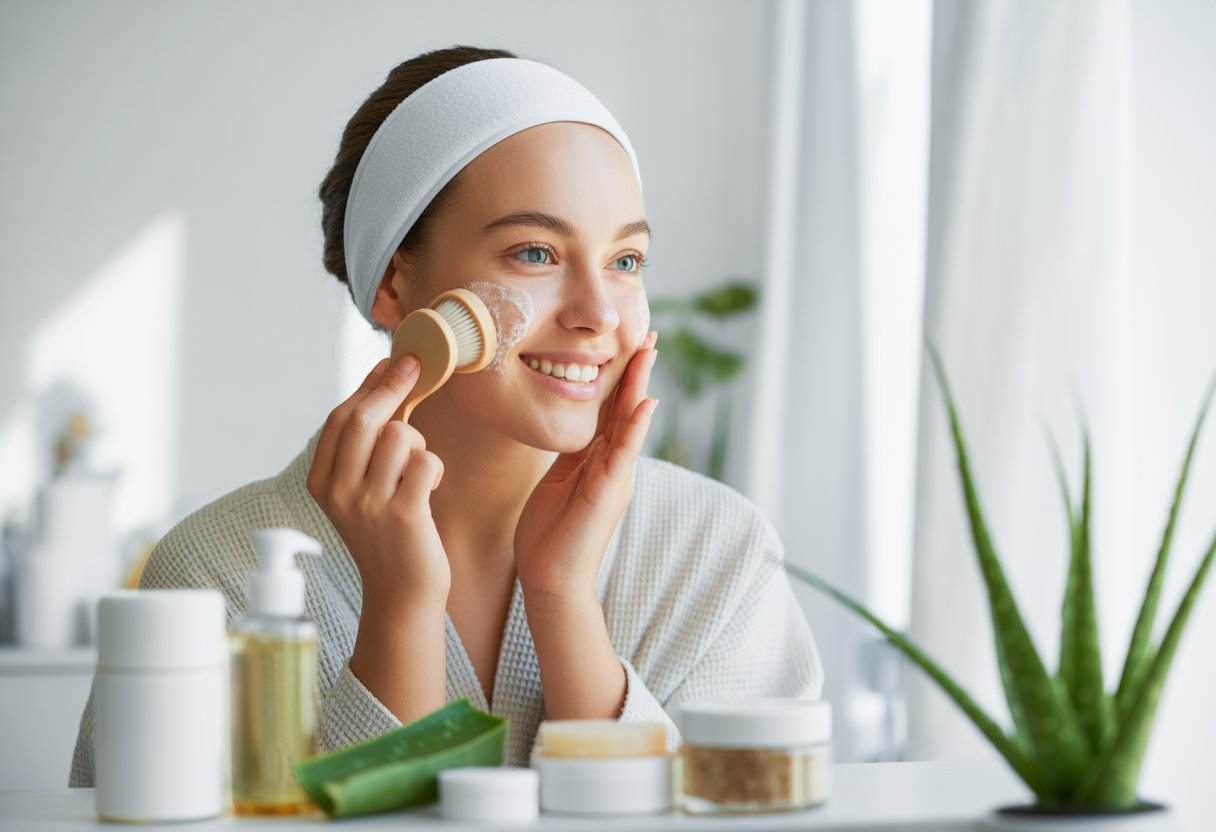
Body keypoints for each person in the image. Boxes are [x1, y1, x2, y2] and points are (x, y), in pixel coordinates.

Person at [70, 45, 822, 783]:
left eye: (626, 261)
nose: (599, 313)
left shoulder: (716, 555)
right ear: (397, 283)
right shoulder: (213, 577)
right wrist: (400, 611)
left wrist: (562, 600)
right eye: (535, 253)